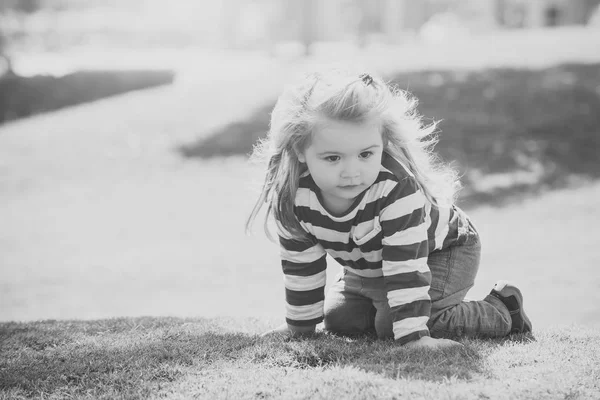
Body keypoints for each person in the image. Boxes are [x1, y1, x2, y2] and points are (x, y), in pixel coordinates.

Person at [246, 69, 532, 349]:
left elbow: (406, 267)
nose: (351, 172)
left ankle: (503, 310)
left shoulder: (396, 191)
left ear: (382, 144)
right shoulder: (297, 196)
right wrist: (299, 328)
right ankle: (385, 306)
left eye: (365, 154)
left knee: (397, 327)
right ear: (299, 150)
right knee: (340, 320)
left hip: (443, 249)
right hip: (376, 263)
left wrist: (414, 336)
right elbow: (301, 265)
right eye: (333, 158)